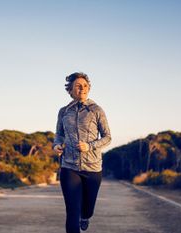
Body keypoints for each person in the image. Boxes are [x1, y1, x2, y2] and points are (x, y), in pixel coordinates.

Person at [53, 72, 111, 233]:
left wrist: (90, 146)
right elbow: (59, 134)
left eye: (85, 85)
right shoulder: (64, 111)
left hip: (92, 168)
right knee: (72, 212)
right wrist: (57, 145)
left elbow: (107, 137)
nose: (82, 88)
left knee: (87, 209)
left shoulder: (96, 110)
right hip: (69, 166)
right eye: (78, 86)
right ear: (70, 90)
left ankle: (85, 217)